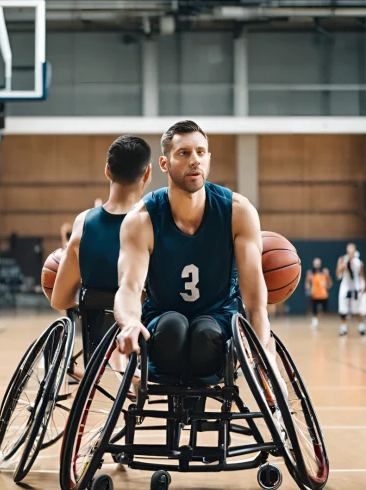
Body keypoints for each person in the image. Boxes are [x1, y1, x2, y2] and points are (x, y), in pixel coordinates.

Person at [114, 120, 275, 385]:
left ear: (209, 159)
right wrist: (130, 322)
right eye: (184, 153)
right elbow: (129, 288)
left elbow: (256, 304)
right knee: (173, 328)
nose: (195, 161)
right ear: (164, 164)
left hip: (219, 323)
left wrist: (265, 356)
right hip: (162, 327)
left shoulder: (238, 212)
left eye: (201, 152)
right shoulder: (140, 220)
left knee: (205, 334)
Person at [51, 135, 152, 376]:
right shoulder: (156, 222)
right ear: (147, 174)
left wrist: (92, 300)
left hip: (98, 340)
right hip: (149, 340)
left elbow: (59, 300)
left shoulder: (83, 223)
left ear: (107, 170)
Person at [336, 243, 366, 336]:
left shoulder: (359, 262)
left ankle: (361, 326)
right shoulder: (342, 260)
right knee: (343, 309)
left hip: (356, 287)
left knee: (358, 309)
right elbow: (338, 274)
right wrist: (342, 267)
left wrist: (364, 287)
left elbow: (362, 276)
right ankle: (343, 327)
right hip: (345, 287)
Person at [305, 258, 332, 330]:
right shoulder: (311, 274)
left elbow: (329, 285)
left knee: (324, 311)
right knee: (314, 311)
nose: (316, 265)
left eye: (318, 264)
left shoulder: (324, 274)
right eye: (315, 264)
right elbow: (307, 284)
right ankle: (314, 321)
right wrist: (308, 288)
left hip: (323, 296)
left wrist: (328, 277)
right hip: (315, 296)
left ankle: (315, 319)